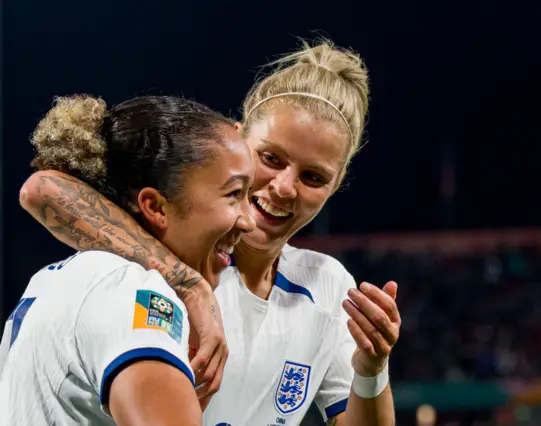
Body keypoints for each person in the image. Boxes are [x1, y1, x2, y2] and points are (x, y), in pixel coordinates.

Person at [19, 39, 401, 425]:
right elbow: (44, 189)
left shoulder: (328, 286)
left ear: (334, 187)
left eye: (313, 177)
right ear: (235, 140)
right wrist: (189, 284)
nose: (285, 187)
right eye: (270, 158)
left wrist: (371, 370)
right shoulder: (158, 256)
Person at [1, 95, 255, 425]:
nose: (249, 220)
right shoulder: (131, 288)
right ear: (156, 207)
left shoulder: (63, 277)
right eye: (234, 194)